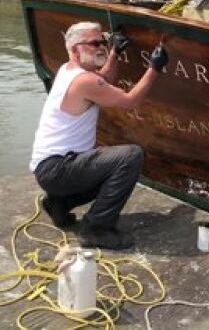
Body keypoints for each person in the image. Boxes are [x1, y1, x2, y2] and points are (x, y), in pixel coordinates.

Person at [30, 21, 168, 249]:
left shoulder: (70, 70)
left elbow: (103, 81)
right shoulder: (84, 80)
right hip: (58, 168)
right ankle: (96, 228)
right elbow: (130, 101)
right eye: (94, 44)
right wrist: (154, 68)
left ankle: (59, 204)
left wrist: (115, 53)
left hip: (50, 170)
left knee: (109, 170)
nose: (101, 47)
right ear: (74, 50)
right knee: (130, 157)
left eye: (103, 41)